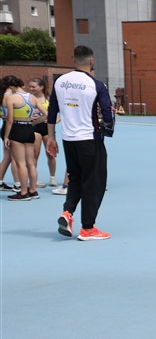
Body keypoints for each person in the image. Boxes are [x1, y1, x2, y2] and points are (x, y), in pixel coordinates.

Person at [45, 46, 114, 240]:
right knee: (94, 182)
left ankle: (67, 212)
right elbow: (107, 113)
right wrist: (106, 127)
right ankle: (88, 228)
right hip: (89, 139)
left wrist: (51, 137)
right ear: (91, 61)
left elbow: (52, 110)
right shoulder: (96, 85)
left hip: (68, 139)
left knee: (75, 178)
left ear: (73, 59)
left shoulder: (60, 82)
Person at [3, 76, 47, 201]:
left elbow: (10, 120)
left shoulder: (11, 98)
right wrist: (33, 123)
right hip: (29, 129)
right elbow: (46, 114)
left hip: (17, 129)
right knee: (30, 163)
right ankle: (33, 190)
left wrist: (6, 136)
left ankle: (23, 193)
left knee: (20, 163)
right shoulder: (32, 97)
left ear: (11, 87)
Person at [28, 77, 59, 189]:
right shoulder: (28, 98)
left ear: (41, 87)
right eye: (30, 86)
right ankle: (34, 179)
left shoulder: (49, 99)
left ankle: (52, 177)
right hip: (35, 127)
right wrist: (30, 117)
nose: (31, 88)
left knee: (50, 153)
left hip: (47, 129)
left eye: (33, 87)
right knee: (35, 154)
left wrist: (54, 120)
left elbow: (59, 114)